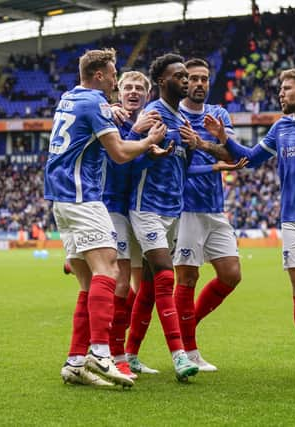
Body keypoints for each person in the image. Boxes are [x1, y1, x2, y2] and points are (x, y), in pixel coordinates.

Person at [201, 68, 295, 379]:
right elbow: (251, 158)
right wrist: (223, 139)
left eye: (286, 88)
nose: (280, 94)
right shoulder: (281, 127)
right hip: (293, 219)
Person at [44, 48, 166, 388]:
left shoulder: (69, 98)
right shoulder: (95, 102)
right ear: (99, 75)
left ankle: (75, 361)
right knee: (109, 270)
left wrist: (111, 114)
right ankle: (100, 353)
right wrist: (148, 141)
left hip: (60, 199)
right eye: (113, 74)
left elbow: (91, 125)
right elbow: (120, 153)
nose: (115, 80)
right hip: (82, 196)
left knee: (87, 283)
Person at [124, 53, 200, 382]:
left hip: (172, 210)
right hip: (146, 207)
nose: (186, 80)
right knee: (166, 277)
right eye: (179, 76)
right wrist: (148, 149)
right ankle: (179, 355)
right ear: (162, 82)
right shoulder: (153, 115)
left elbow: (182, 166)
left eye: (187, 75)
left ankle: (131, 353)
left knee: (151, 286)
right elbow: (132, 159)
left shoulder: (182, 119)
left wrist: (195, 147)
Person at [173, 58, 248, 371]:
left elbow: (233, 154)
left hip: (215, 208)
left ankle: (183, 325)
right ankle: (189, 351)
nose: (200, 83)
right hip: (185, 208)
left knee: (231, 274)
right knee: (187, 278)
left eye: (204, 78)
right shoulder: (174, 115)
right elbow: (179, 166)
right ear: (183, 81)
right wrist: (213, 155)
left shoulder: (218, 114)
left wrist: (205, 142)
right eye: (193, 78)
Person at [102, 70, 167, 378]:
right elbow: (117, 164)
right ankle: (113, 354)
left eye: (139, 87)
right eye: (127, 86)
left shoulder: (148, 124)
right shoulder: (111, 119)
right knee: (121, 283)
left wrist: (152, 153)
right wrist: (135, 133)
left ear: (147, 94)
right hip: (112, 205)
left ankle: (127, 352)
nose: (133, 91)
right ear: (118, 92)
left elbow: (135, 167)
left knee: (144, 288)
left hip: (137, 210)